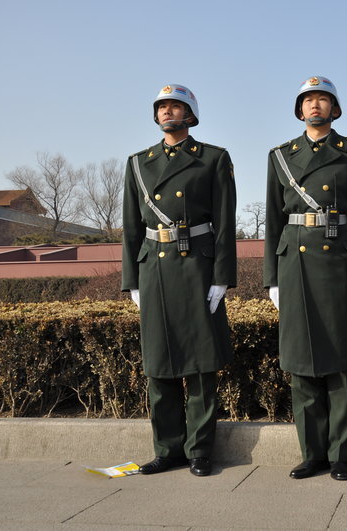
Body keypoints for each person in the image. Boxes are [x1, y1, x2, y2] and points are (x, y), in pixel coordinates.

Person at [264, 76, 347, 481]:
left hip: (339, 261)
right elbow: (273, 221)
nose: (315, 105)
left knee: (341, 359)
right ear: (300, 110)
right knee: (301, 360)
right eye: (308, 100)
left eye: (323, 99)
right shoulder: (280, 156)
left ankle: (340, 455)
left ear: (335, 109)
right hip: (294, 264)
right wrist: (271, 278)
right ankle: (311, 453)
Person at [121, 84, 237, 477]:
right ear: (156, 116)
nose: (169, 112)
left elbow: (225, 224)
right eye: (163, 107)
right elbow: (131, 227)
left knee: (202, 365)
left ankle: (200, 450)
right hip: (154, 267)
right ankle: (167, 450)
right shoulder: (138, 163)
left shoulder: (213, 159)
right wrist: (132, 281)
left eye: (176, 106)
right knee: (160, 363)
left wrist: (222, 277)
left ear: (190, 114)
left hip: (198, 268)